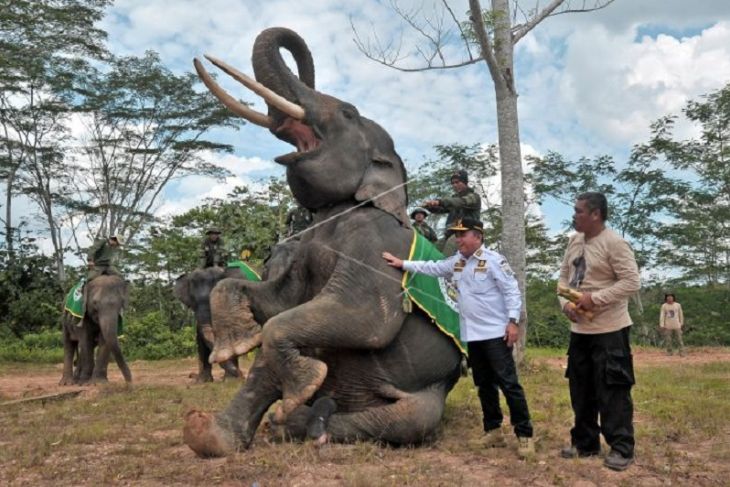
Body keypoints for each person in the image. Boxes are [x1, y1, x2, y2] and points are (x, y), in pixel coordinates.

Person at [382, 217, 534, 458]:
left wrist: (513, 322)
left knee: (509, 384)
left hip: (496, 334)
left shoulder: (494, 261)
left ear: (478, 236)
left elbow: (512, 291)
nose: (458, 239)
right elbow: (431, 267)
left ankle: (524, 435)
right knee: (484, 385)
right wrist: (403, 263)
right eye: (456, 234)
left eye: (463, 234)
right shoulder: (457, 263)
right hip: (472, 336)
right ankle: (493, 430)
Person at [557, 192, 641, 471]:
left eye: (579, 211)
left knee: (612, 388)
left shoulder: (614, 244)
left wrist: (595, 299)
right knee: (580, 387)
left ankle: (621, 447)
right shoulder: (574, 241)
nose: (574, 215)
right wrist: (566, 305)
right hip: (579, 329)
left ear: (596, 214)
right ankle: (585, 442)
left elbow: (631, 282)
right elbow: (563, 278)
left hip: (609, 329)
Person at [423, 170, 481, 254]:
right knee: (432, 251)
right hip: (451, 233)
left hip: (466, 232)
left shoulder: (474, 197)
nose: (454, 185)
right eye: (453, 183)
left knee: (448, 254)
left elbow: (460, 202)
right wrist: (430, 207)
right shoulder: (453, 199)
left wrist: (440, 202)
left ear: (465, 182)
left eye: (457, 182)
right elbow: (442, 209)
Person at [76, 235, 123, 327]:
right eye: (117, 243)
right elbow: (93, 249)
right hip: (98, 266)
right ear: (114, 240)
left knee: (120, 277)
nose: (117, 245)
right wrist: (90, 260)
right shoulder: (102, 242)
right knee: (89, 280)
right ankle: (83, 302)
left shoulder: (113, 248)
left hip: (108, 266)